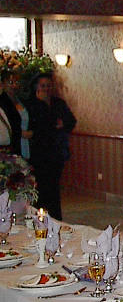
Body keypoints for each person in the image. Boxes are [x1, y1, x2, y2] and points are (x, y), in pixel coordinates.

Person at [25, 73, 76, 220]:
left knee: (54, 188)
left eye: (48, 85)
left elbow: (71, 121)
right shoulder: (31, 104)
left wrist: (62, 124)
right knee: (40, 188)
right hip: (38, 153)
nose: (46, 88)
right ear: (36, 86)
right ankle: (40, 219)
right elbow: (39, 126)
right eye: (43, 85)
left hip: (56, 152)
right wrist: (54, 123)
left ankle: (55, 220)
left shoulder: (58, 103)